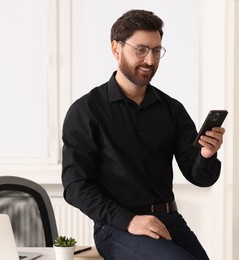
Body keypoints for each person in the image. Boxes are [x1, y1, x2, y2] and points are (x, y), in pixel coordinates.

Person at [61, 9, 225, 260]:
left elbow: (200, 177)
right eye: (141, 50)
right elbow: (75, 187)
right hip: (117, 227)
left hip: (170, 221)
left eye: (156, 50)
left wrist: (207, 154)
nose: (150, 60)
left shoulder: (172, 109)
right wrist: (129, 221)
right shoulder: (86, 111)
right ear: (116, 49)